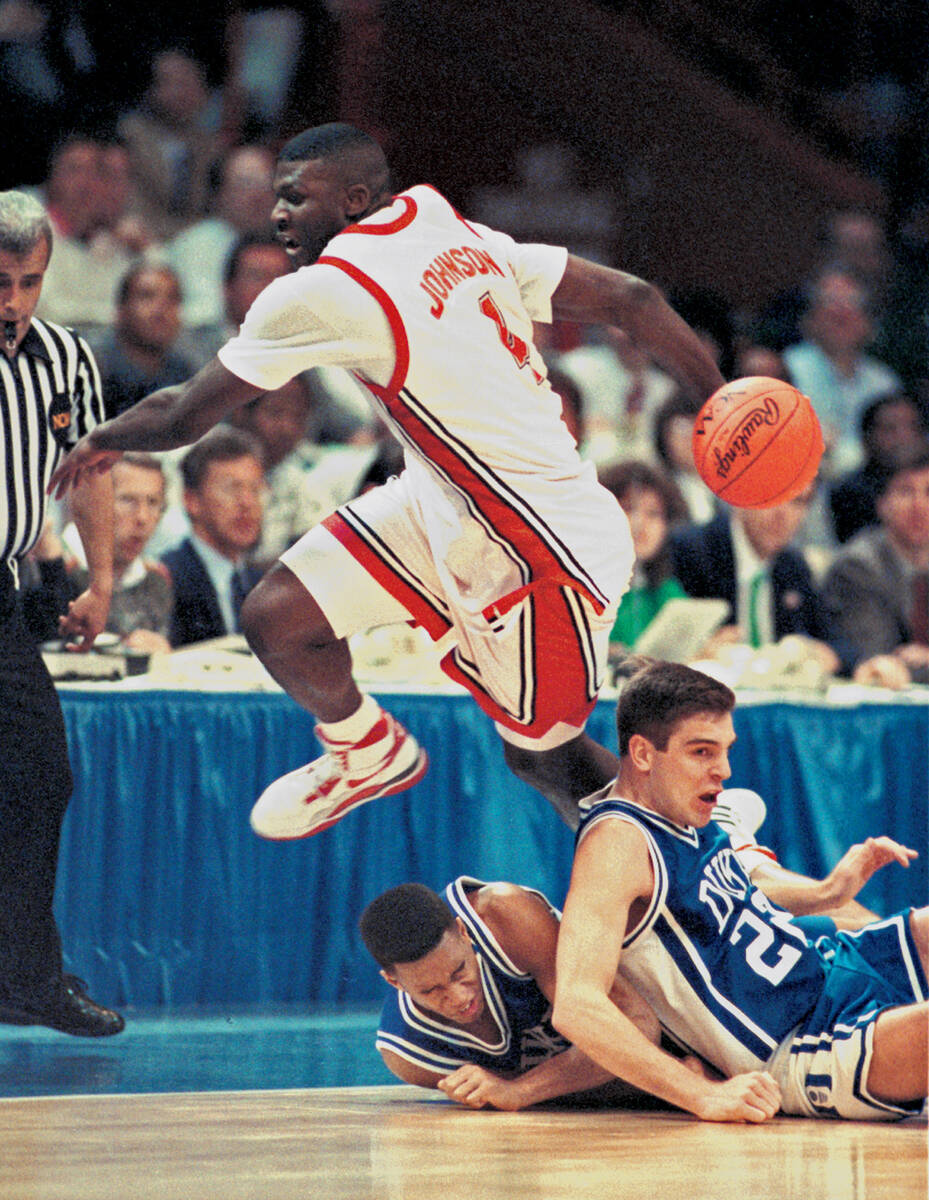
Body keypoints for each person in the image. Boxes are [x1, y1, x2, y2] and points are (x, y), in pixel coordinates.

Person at [49, 121, 726, 838]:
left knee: (545, 759)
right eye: (276, 197)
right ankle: (363, 751)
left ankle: (703, 862)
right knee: (277, 616)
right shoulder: (449, 229)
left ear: (354, 199)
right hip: (443, 500)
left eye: (294, 198)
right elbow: (633, 300)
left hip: (540, 542)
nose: (278, 214)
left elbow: (186, 414)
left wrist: (103, 437)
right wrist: (721, 401)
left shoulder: (329, 288)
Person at [552, 660, 928, 1123]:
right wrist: (700, 1094)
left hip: (829, 968)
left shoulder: (684, 812)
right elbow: (576, 1003)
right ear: (644, 754)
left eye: (725, 750)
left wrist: (829, 890)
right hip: (804, 1044)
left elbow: (747, 880)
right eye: (702, 752)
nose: (724, 770)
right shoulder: (617, 843)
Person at [0, 189, 123, 1035]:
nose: (11, 302)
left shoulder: (64, 360)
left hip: (8, 590)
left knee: (42, 776)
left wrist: (103, 579)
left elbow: (90, 469)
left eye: (28, 283)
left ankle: (28, 981)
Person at [358, 876, 662, 1111]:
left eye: (459, 972)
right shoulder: (409, 1053)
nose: (459, 997)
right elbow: (580, 1088)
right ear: (394, 982)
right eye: (431, 990)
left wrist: (520, 1091)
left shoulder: (503, 915)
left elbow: (639, 1026)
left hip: (675, 1010)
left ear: (463, 932)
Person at [669, 483, 854, 675]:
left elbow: (839, 644)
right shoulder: (692, 550)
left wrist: (824, 655)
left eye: (797, 502)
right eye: (772, 497)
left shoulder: (792, 565)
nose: (782, 514)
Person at [822, 448, 929, 688]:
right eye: (905, 491)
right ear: (882, 504)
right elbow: (880, 665)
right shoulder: (857, 568)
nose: (919, 505)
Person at [161, 427, 266, 647]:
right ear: (192, 501)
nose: (247, 503)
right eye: (231, 489)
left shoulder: (262, 584)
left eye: (255, 490)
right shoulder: (167, 578)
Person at [598, 460, 689, 651]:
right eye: (629, 508)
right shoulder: (583, 591)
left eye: (654, 514)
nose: (640, 523)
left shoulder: (665, 589)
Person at [89, 263, 198, 419]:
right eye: (147, 296)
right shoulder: (95, 370)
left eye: (172, 298)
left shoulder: (183, 374)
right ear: (120, 310)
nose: (161, 309)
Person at [828, 392, 929, 544]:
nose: (904, 436)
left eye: (913, 427)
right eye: (890, 429)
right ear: (866, 439)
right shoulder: (848, 493)